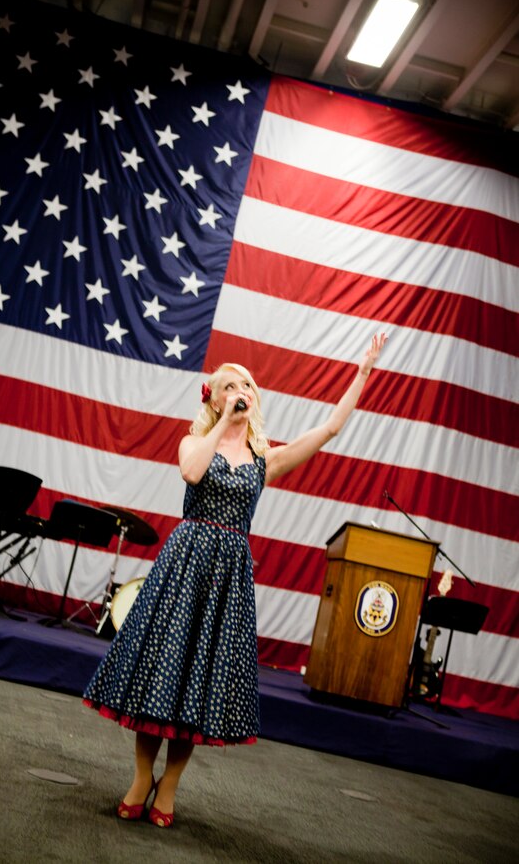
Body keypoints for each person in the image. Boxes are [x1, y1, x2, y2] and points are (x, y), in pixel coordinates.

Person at [83, 333, 387, 827]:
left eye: (245, 384)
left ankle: (170, 786)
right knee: (161, 673)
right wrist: (222, 422)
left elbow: (329, 429)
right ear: (215, 399)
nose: (240, 390)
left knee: (196, 683)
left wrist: (363, 374)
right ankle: (142, 776)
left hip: (227, 576)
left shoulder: (266, 460)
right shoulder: (193, 441)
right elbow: (190, 472)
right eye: (228, 386)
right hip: (185, 565)